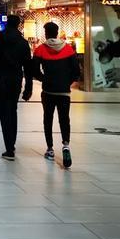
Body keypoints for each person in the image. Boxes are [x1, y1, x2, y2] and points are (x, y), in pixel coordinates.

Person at [0, 15, 33, 161]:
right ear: (18, 25)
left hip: (0, 80)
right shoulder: (23, 43)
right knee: (13, 110)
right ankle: (12, 144)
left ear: (6, 23)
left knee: (3, 111)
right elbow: (28, 68)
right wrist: (28, 88)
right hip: (16, 80)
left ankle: (9, 148)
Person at [31, 22, 80, 168]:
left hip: (48, 91)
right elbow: (76, 72)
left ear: (46, 33)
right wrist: (66, 82)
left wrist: (44, 79)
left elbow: (34, 70)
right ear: (57, 33)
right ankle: (65, 145)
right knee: (64, 119)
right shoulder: (69, 49)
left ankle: (50, 149)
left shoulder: (40, 50)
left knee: (48, 119)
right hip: (64, 91)